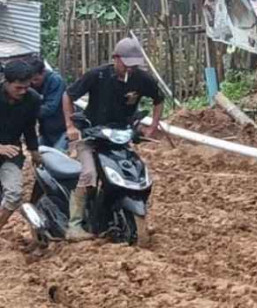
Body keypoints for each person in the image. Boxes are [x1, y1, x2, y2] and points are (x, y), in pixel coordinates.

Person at [61, 38, 165, 241]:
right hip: (91, 137)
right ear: (116, 58)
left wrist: (152, 126)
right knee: (88, 174)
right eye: (126, 64)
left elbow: (159, 99)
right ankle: (74, 225)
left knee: (136, 173)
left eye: (134, 65)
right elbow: (68, 95)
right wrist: (70, 126)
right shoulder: (97, 75)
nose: (130, 69)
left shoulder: (142, 79)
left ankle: (128, 215)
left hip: (120, 138)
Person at [0, 61, 42, 234]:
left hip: (12, 154)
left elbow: (29, 127)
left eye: (26, 87)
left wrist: (34, 151)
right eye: (18, 88)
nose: (23, 91)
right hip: (4, 148)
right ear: (6, 82)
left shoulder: (32, 99)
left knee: (14, 195)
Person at [28, 57, 68, 152]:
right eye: (30, 80)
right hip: (45, 130)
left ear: (43, 72)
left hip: (62, 129)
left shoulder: (56, 81)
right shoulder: (30, 85)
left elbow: (49, 108)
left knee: (57, 157)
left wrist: (26, 112)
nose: (33, 83)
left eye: (36, 79)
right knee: (41, 157)